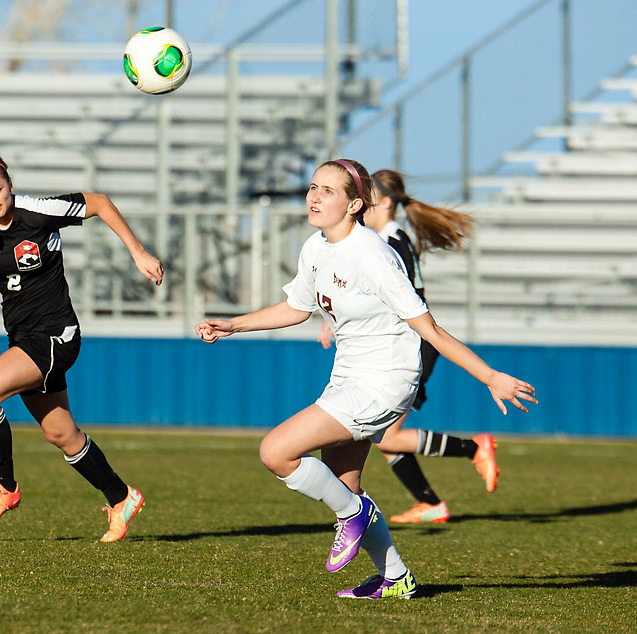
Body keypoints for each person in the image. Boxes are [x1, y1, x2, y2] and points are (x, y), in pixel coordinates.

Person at [195, 158, 536, 599]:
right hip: (349, 375)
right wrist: (233, 325)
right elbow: (297, 309)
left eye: (328, 191)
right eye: (313, 187)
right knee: (343, 486)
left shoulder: (374, 255)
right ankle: (396, 577)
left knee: (276, 451)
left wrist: (489, 376)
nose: (314, 196)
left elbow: (428, 328)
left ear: (356, 204)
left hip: (386, 380)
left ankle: (353, 515)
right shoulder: (315, 246)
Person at [0, 152, 163, 542]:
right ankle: (121, 497)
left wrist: (138, 252)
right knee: (62, 434)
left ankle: (5, 486)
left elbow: (98, 202)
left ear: (10, 186)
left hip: (54, 334)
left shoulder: (37, 210)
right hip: (22, 337)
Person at [317, 169, 493, 525]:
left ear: (381, 201)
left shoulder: (391, 241)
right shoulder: (381, 239)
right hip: (398, 344)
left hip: (409, 345)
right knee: (383, 436)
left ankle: (473, 449)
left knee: (387, 436)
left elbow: (402, 299)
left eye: (366, 195)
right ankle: (430, 503)